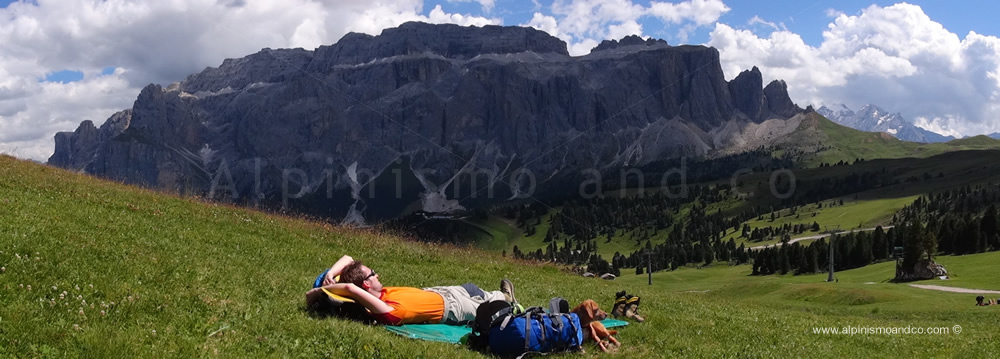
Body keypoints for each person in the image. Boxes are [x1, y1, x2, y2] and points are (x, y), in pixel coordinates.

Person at [305, 255, 518, 325]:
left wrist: (329, 276)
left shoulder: (377, 293)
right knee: (494, 307)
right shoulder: (387, 310)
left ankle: (503, 297)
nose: (377, 275)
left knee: (476, 290)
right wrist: (321, 292)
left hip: (438, 292)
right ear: (366, 285)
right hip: (453, 308)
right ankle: (511, 304)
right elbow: (351, 288)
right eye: (373, 274)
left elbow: (348, 259)